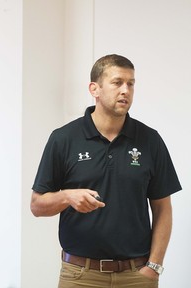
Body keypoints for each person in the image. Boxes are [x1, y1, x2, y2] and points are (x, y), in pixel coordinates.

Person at [31, 54, 182, 288]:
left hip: (136, 276)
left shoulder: (150, 140)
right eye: (117, 82)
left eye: (131, 84)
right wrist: (67, 196)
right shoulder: (63, 139)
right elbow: (37, 205)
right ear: (95, 89)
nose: (125, 90)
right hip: (80, 275)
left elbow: (163, 208)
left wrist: (154, 266)